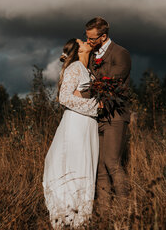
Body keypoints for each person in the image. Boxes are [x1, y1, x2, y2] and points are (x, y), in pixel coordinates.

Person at [43, 38, 100, 228]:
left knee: (87, 167)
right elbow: (64, 97)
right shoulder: (75, 67)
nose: (86, 41)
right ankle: (69, 218)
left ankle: (82, 218)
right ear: (78, 50)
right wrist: (94, 106)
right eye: (82, 41)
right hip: (76, 124)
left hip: (88, 125)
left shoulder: (88, 71)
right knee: (76, 167)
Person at [80, 17, 131, 215]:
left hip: (115, 116)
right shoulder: (91, 55)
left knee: (112, 162)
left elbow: (112, 84)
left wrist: (84, 91)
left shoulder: (121, 53)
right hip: (96, 116)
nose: (89, 42)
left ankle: (124, 211)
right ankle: (103, 213)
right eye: (87, 38)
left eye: (92, 39)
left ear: (103, 36)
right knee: (99, 167)